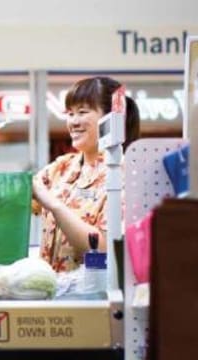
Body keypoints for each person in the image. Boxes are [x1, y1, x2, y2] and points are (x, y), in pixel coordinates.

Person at [32, 76, 141, 272]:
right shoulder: (62, 167)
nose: (73, 122)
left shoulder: (125, 175)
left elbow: (104, 248)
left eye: (82, 112)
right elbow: (19, 196)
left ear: (111, 118)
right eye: (70, 113)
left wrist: (54, 206)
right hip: (50, 296)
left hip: (93, 299)